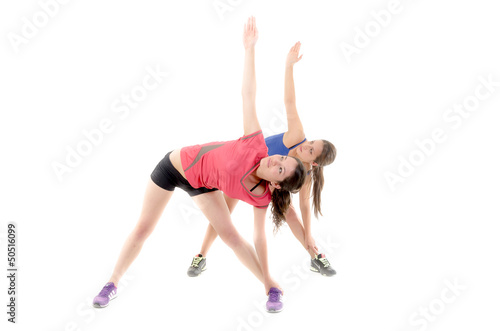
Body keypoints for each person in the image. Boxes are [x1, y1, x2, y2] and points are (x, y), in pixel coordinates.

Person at [92, 16, 305, 313]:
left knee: (230, 236)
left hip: (202, 186)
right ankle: (111, 283)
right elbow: (248, 96)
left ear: (277, 184)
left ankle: (271, 290)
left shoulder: (262, 196)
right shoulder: (255, 145)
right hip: (174, 166)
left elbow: (257, 237)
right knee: (143, 228)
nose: (275, 160)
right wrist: (249, 49)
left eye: (280, 168)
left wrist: (269, 276)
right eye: (282, 158)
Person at [187, 41, 337, 279]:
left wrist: (309, 235)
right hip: (247, 169)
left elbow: (305, 207)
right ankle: (201, 255)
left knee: (291, 215)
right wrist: (289, 66)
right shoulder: (298, 136)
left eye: (310, 151)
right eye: (311, 143)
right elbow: (290, 102)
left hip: (270, 184)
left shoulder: (304, 175)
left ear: (314, 163)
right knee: (224, 211)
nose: (305, 146)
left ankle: (315, 255)